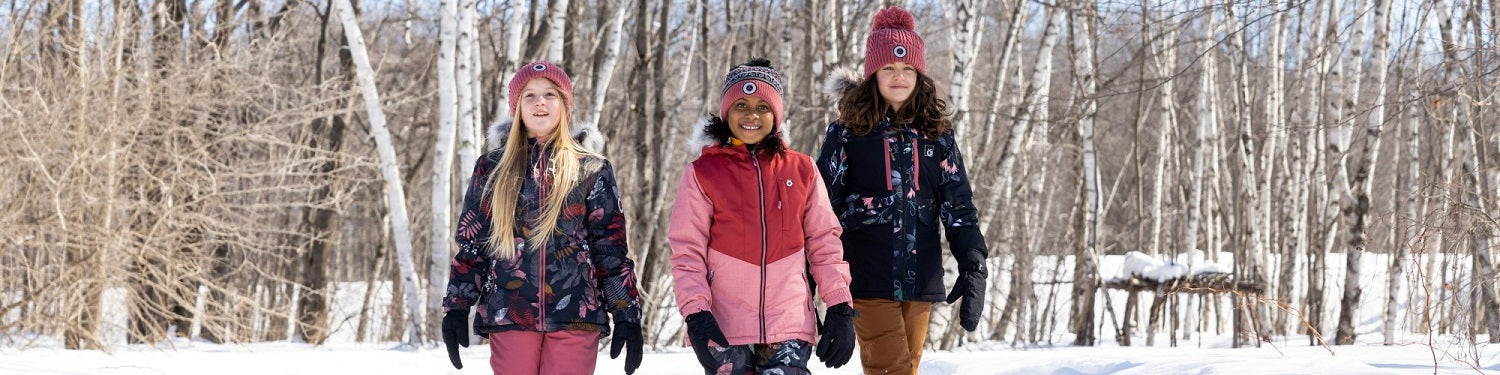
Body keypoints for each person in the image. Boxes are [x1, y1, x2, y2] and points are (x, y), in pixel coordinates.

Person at [440, 61, 643, 375]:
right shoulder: (491, 167)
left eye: (550, 94)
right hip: (511, 313)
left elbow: (610, 249)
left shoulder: (591, 168)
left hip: (577, 313)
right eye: (529, 95)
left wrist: (626, 312)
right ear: (517, 106)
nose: (540, 102)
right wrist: (456, 306)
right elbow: (473, 244)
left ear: (564, 104)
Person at [817, 6, 989, 375]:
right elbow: (819, 211)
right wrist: (812, 281)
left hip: (921, 278)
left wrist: (973, 263)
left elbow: (958, 205)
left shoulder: (937, 134)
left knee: (905, 368)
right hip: (865, 276)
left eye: (907, 68)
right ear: (873, 74)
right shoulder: (847, 133)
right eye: (889, 69)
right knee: (891, 369)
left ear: (919, 73)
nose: (899, 76)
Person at [669, 58, 858, 374]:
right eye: (741, 104)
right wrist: (696, 312)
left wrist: (839, 305)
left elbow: (824, 244)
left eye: (763, 106)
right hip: (724, 325)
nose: (751, 115)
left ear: (777, 115)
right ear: (727, 112)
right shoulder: (702, 173)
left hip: (789, 323)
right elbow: (686, 253)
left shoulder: (802, 170)